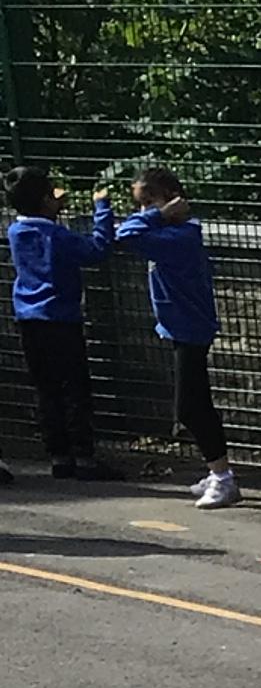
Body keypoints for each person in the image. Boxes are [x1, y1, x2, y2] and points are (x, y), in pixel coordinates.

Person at [110, 166, 235, 505]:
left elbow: (126, 236)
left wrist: (158, 215)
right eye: (139, 205)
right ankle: (217, 472)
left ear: (172, 199)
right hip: (180, 328)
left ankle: (223, 478)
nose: (143, 211)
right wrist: (157, 214)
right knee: (197, 403)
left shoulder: (180, 237)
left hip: (191, 329)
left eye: (149, 202)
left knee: (190, 409)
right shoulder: (169, 232)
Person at [9, 167, 113, 480]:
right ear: (45, 200)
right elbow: (96, 250)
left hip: (28, 319)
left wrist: (52, 208)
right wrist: (102, 208)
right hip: (61, 320)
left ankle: (58, 454)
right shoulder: (57, 235)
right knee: (74, 388)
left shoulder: (16, 232)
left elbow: (42, 223)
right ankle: (83, 456)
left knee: (46, 389)